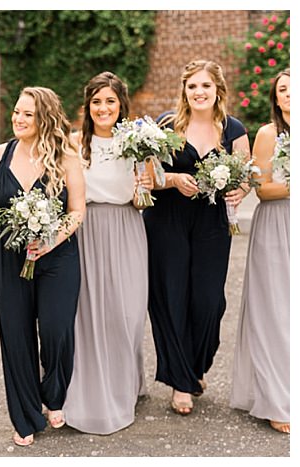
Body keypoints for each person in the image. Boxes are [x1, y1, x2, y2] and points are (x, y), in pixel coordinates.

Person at [0, 86, 85, 446]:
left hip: (58, 256)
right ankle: (24, 415)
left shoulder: (65, 157)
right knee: (15, 335)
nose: (19, 119)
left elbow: (77, 211)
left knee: (57, 331)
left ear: (45, 119)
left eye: (28, 114)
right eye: (17, 112)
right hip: (8, 256)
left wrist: (51, 239)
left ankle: (53, 394)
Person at [144, 60, 250, 415]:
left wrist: (240, 192)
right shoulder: (166, 125)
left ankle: (195, 366)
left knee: (209, 303)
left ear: (218, 89)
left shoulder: (233, 129)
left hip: (211, 223)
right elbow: (149, 176)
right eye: (192, 86)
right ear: (184, 90)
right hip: (167, 219)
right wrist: (173, 180)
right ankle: (180, 382)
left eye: (205, 86)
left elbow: (246, 175)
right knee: (170, 295)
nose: (199, 92)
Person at [62, 72, 150, 434]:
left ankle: (124, 384)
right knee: (86, 312)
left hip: (127, 228)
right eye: (96, 101)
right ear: (87, 106)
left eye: (110, 101)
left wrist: (147, 180)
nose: (103, 108)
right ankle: (83, 391)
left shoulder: (136, 141)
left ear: (121, 105)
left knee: (125, 313)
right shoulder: (72, 144)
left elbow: (146, 192)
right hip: (85, 231)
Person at [230, 68, 290, 434]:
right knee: (274, 312)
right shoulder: (268, 134)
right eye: (283, 89)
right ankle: (275, 399)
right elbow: (262, 189)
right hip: (276, 225)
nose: (288, 95)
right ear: (276, 97)